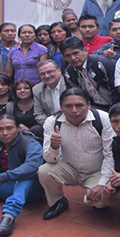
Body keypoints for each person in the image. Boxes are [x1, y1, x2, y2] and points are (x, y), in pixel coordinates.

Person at [38, 88, 115, 219]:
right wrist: (54, 146)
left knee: (101, 202)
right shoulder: (52, 122)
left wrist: (102, 184)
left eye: (79, 105)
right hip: (70, 168)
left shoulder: (102, 119)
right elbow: (49, 159)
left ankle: (94, 196)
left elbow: (110, 154)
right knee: (44, 171)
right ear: (61, 107)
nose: (74, 110)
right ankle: (58, 202)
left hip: (97, 170)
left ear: (89, 105)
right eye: (68, 106)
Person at [60, 37, 118, 111]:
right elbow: (75, 94)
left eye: (76, 53)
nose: (73, 58)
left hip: (115, 105)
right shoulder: (69, 73)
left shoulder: (102, 64)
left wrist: (114, 110)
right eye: (68, 55)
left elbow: (116, 88)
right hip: (93, 108)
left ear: (85, 50)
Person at [32, 60, 66, 138]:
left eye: (49, 72)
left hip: (72, 120)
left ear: (59, 71)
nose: (47, 76)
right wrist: (52, 125)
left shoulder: (69, 82)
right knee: (35, 129)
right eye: (42, 74)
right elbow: (38, 114)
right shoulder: (37, 89)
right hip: (51, 124)